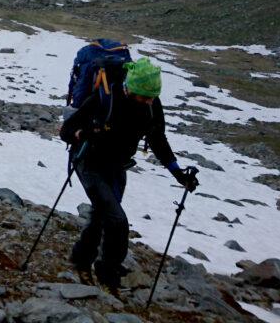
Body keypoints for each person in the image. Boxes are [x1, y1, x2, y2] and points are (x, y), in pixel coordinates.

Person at [59, 57, 198, 292]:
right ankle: (108, 274)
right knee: (117, 221)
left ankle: (82, 261)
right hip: (89, 164)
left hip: (117, 167)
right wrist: (83, 134)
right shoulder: (105, 99)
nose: (148, 101)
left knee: (101, 216)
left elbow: (157, 139)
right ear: (130, 89)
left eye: (152, 97)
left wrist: (178, 174)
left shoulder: (152, 106)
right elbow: (66, 131)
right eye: (144, 97)